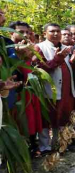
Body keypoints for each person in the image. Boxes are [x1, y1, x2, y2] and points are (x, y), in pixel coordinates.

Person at [33, 23, 75, 154]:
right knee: (47, 120)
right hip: (49, 92)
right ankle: (45, 147)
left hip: (66, 91)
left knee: (64, 119)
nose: (56, 34)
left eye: (58, 31)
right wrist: (58, 58)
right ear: (44, 33)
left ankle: (61, 145)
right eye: (52, 31)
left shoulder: (65, 47)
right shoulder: (39, 47)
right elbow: (42, 68)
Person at [9, 21, 43, 156]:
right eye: (21, 32)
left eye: (27, 32)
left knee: (31, 119)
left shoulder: (29, 48)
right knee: (19, 120)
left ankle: (32, 146)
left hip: (29, 90)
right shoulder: (7, 49)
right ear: (11, 33)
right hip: (15, 93)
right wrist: (18, 55)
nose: (25, 35)